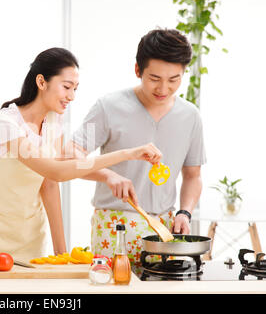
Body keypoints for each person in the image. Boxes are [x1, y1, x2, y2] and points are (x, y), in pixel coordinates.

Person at [0, 47, 163, 259]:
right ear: (41, 82)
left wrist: (62, 253)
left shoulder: (52, 120)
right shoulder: (4, 124)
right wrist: (126, 154)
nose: (72, 96)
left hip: (30, 236)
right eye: (67, 87)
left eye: (75, 89)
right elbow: (56, 171)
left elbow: (51, 182)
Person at [68, 29, 206, 264]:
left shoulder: (190, 116)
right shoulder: (108, 107)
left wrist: (185, 211)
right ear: (137, 70)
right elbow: (70, 155)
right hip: (114, 226)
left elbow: (193, 175)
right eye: (154, 79)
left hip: (163, 230)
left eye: (174, 80)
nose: (163, 89)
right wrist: (108, 175)